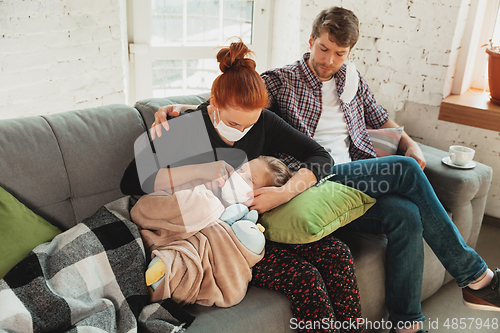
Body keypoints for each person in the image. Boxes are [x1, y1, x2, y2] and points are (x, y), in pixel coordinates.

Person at [152, 7, 500, 333]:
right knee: (407, 171)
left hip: (353, 179)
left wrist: (409, 141)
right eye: (324, 49)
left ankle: (406, 322)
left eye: (339, 53)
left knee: (406, 214)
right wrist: (180, 110)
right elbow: (236, 99)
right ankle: (475, 277)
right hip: (316, 179)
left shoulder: (353, 81)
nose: (329, 60)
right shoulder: (283, 81)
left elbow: (380, 118)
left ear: (349, 53)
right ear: (311, 41)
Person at [121, 40, 364, 332]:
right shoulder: (187, 127)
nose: (240, 134)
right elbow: (132, 180)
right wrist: (202, 169)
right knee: (305, 277)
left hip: (255, 220)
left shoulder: (264, 122)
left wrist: (283, 193)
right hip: (221, 235)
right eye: (234, 123)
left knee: (337, 253)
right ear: (213, 103)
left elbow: (321, 156)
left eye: (248, 125)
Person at [131, 156, 293, 307]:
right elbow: (143, 209)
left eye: (250, 180)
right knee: (206, 205)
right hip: (149, 235)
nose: (238, 176)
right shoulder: (205, 185)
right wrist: (205, 203)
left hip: (176, 260)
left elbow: (233, 283)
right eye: (242, 170)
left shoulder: (244, 229)